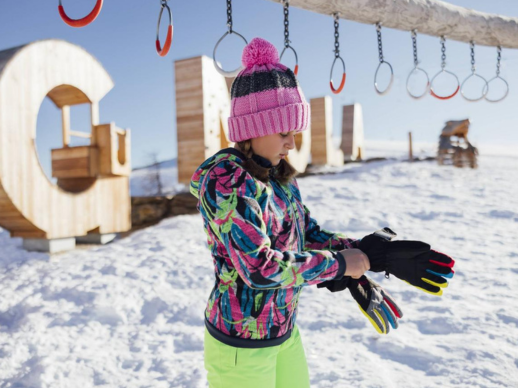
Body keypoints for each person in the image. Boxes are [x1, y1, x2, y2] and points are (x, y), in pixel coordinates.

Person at [190, 37, 454, 388]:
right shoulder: (226, 182)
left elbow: (308, 236)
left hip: (282, 330)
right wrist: (342, 264)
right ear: (253, 129)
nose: (291, 143)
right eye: (284, 131)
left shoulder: (279, 179)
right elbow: (260, 268)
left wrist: (370, 252)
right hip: (241, 344)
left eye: (294, 132)